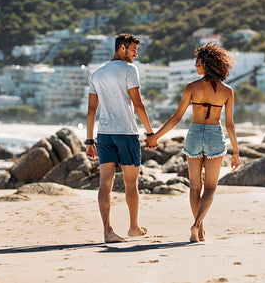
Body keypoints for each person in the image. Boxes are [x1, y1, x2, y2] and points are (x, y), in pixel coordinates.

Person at [145, 43, 240, 242]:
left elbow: (176, 117)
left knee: (195, 187)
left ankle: (200, 229)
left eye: (198, 62)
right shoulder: (227, 91)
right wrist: (236, 152)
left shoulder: (192, 87)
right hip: (215, 134)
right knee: (211, 188)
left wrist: (155, 137)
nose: (195, 66)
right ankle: (197, 226)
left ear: (206, 63)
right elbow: (230, 125)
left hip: (195, 133)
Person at [86, 33, 155, 243]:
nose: (136, 54)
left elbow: (91, 110)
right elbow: (138, 105)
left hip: (105, 134)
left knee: (105, 183)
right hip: (126, 133)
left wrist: (89, 141)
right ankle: (133, 227)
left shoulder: (97, 74)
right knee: (130, 183)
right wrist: (151, 133)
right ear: (122, 48)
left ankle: (107, 231)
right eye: (134, 50)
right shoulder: (129, 70)